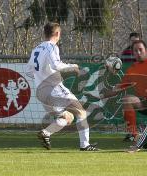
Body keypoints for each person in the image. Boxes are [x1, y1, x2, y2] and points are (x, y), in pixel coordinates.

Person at [25, 22, 98, 151]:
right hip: (54, 88)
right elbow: (57, 66)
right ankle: (85, 145)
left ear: (45, 33)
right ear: (58, 33)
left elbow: (28, 71)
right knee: (81, 112)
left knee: (67, 117)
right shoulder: (52, 47)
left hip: (41, 92)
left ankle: (46, 133)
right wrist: (73, 67)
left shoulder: (36, 49)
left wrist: (41, 76)